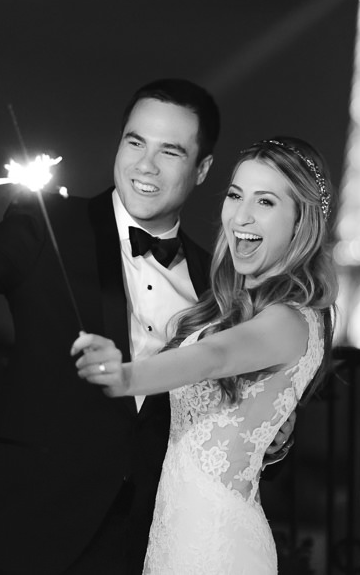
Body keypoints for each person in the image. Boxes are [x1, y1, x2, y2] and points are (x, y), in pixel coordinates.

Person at [0, 79, 292, 575]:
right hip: (27, 520)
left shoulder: (218, 282)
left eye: (170, 151)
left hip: (145, 537)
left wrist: (273, 437)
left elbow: (230, 401)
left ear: (202, 169)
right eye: (135, 142)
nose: (145, 165)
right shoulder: (47, 223)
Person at [72, 136, 337, 574]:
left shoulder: (289, 320)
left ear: (300, 224)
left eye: (266, 202)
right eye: (235, 195)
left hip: (218, 545)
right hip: (172, 532)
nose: (241, 215)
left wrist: (125, 377)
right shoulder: (222, 306)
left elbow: (214, 357)